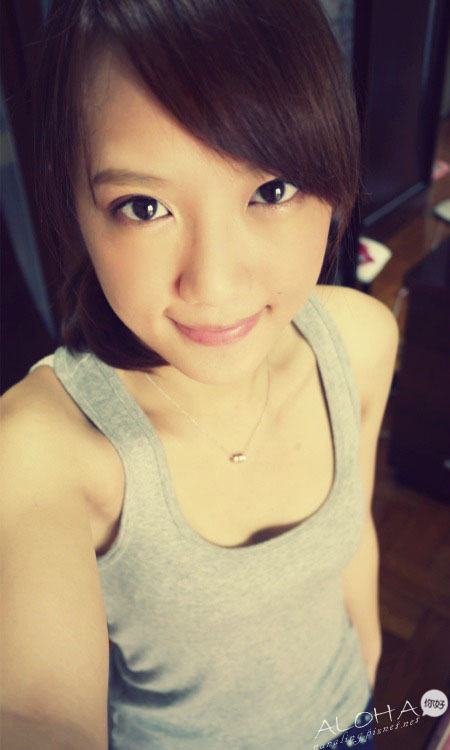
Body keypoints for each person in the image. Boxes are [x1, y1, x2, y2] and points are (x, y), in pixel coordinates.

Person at [1, 1, 399, 748]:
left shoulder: (360, 340)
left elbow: (354, 545)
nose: (214, 284)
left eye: (271, 190)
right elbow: (37, 717)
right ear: (74, 206)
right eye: (143, 206)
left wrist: (370, 678)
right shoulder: (41, 451)